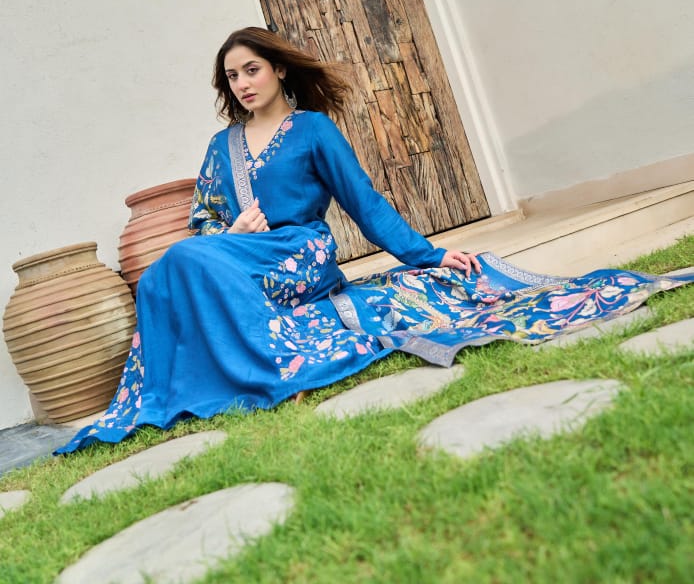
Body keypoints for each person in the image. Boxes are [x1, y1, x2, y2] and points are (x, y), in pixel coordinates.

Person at [57, 28, 693, 453]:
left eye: (252, 69)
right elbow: (202, 226)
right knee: (177, 261)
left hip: (299, 252)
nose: (243, 83)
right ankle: (201, 377)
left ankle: (260, 363)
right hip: (235, 252)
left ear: (279, 70)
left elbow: (364, 204)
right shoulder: (217, 148)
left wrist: (432, 254)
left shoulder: (312, 130)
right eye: (232, 77)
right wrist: (228, 231)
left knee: (191, 259)